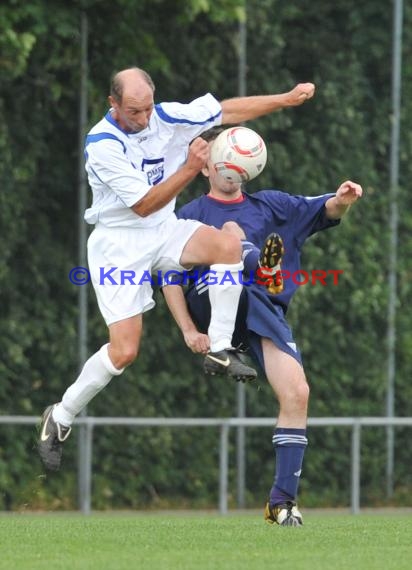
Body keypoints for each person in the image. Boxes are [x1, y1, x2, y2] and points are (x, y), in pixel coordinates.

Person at [37, 67, 316, 471]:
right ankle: (59, 417)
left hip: (164, 229)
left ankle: (219, 348)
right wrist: (190, 166)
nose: (144, 118)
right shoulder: (102, 144)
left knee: (226, 245)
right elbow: (143, 205)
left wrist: (285, 99)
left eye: (148, 107)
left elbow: (226, 111)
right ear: (112, 104)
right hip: (120, 245)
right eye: (134, 111)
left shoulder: (165, 116)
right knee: (124, 351)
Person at [162, 126, 363, 526]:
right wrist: (188, 330)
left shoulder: (272, 205)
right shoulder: (188, 215)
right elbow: (169, 278)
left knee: (297, 392)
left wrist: (343, 200)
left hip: (261, 308)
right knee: (230, 236)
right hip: (211, 297)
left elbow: (325, 210)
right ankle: (260, 266)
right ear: (205, 169)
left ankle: (281, 502)